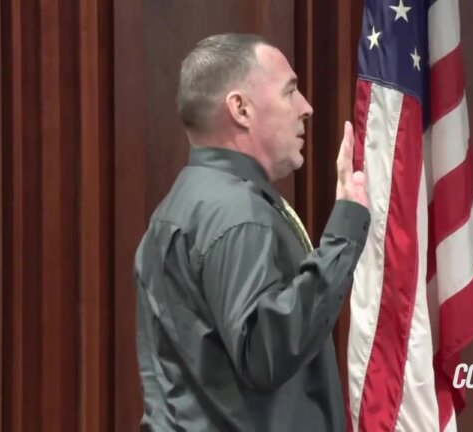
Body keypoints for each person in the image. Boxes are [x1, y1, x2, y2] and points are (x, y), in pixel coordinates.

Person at [134, 33, 370, 431]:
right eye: (290, 91)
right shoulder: (237, 213)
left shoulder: (178, 207)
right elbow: (266, 354)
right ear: (240, 108)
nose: (307, 108)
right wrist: (344, 231)